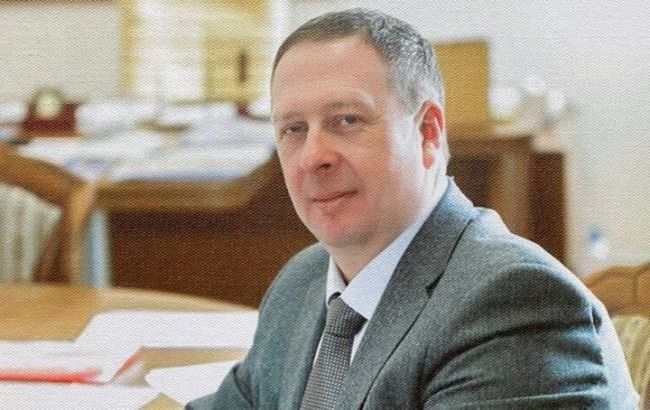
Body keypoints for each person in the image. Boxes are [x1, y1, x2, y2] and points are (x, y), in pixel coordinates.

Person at [188, 8, 637, 409]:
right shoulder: (301, 282)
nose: (312, 157)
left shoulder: (512, 302)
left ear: (428, 133)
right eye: (293, 129)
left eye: (347, 121)